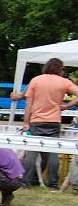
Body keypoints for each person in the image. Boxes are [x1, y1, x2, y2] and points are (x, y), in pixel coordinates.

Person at [22, 58, 78, 188]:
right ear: (59, 68)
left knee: (32, 151)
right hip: (54, 121)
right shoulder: (64, 82)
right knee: (53, 152)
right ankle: (53, 183)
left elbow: (28, 104)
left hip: (36, 120)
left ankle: (26, 182)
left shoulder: (36, 80)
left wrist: (26, 123)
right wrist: (66, 106)